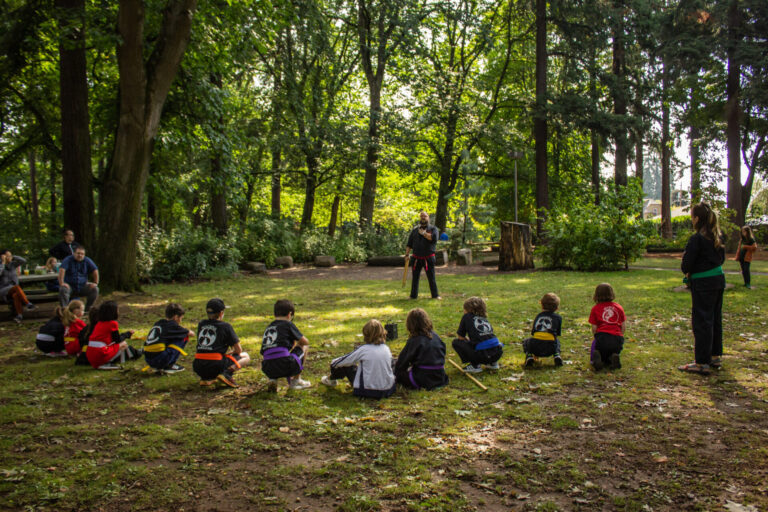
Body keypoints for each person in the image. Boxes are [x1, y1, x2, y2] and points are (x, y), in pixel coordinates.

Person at [678, 203, 725, 375]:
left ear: (697, 218)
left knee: (702, 321)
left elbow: (686, 264)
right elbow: (721, 260)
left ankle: (701, 362)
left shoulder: (697, 239)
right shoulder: (717, 237)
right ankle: (714, 355)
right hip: (718, 280)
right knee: (715, 318)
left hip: (703, 284)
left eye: (692, 217)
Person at [320, 319, 396, 399]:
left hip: (367, 391)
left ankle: (331, 379)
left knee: (345, 364)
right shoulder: (386, 348)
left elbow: (341, 361)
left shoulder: (364, 349)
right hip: (388, 389)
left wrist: (333, 364)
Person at [193, 298, 250, 387]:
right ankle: (226, 374)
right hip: (215, 364)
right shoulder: (225, 326)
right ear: (221, 313)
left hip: (198, 365)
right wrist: (233, 352)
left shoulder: (201, 324)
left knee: (211, 357)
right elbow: (238, 350)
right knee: (246, 356)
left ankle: (206, 378)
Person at [260, 299, 311, 392]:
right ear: (289, 314)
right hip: (284, 364)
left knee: (274, 354)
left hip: (267, 367)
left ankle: (273, 379)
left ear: (275, 314)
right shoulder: (288, 324)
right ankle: (296, 381)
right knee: (304, 346)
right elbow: (305, 342)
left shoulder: (269, 327)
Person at [394, 308, 448, 390]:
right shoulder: (436, 336)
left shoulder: (415, 340)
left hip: (422, 379)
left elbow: (402, 362)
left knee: (398, 372)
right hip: (440, 377)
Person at [451, 297, 503, 373]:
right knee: (484, 342)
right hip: (497, 352)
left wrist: (468, 340)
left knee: (456, 342)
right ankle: (493, 363)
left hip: (482, 355)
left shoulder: (466, 317)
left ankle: (475, 365)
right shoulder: (484, 318)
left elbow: (461, 337)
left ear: (468, 309)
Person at [85, 300, 141, 370]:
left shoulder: (99, 323)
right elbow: (117, 340)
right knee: (123, 344)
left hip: (91, 354)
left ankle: (127, 357)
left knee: (120, 344)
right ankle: (108, 362)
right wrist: (127, 334)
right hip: (100, 353)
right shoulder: (112, 323)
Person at [143, 303, 195, 374]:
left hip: (148, 359)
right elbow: (191, 333)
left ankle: (162, 364)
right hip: (158, 360)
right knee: (184, 336)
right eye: (181, 318)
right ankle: (169, 365)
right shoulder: (172, 326)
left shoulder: (159, 323)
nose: (180, 321)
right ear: (176, 317)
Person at [589, 283, 626, 371]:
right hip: (617, 338)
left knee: (601, 351)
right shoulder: (619, 307)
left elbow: (594, 328)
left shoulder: (595, 309)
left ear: (596, 295)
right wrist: (620, 335)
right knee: (614, 350)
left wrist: (596, 337)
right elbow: (623, 326)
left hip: (602, 337)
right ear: (612, 294)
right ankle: (614, 356)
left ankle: (600, 359)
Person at [404, 211, 441, 300]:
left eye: (425, 216)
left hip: (429, 258)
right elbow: (409, 244)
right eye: (421, 216)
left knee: (431, 277)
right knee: (415, 278)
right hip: (416, 258)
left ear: (428, 217)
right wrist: (407, 254)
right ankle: (413, 296)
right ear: (420, 218)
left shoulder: (433, 229)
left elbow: (434, 239)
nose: (423, 217)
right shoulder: (415, 230)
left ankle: (435, 295)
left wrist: (424, 233)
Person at [522, 293, 563, 368]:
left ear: (542, 305)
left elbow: (533, 332)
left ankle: (529, 356)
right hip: (550, 347)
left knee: (526, 341)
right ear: (557, 308)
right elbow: (557, 333)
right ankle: (556, 355)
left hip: (535, 346)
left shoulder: (538, 316)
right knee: (557, 341)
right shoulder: (558, 318)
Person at [0, 249, 36, 323]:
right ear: (2, 256)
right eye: (7, 256)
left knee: (16, 295)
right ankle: (28, 303)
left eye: (10, 255)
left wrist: (14, 257)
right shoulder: (1, 265)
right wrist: (3, 263)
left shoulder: (13, 264)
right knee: (16, 287)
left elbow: (23, 261)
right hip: (3, 290)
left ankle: (19, 316)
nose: (9, 257)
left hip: (14, 289)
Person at [58, 246, 99, 311]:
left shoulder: (87, 260)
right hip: (70, 286)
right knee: (63, 289)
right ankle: (65, 310)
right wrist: (62, 283)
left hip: (82, 286)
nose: (80, 255)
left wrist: (95, 282)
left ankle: (87, 309)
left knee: (95, 289)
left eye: (82, 254)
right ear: (74, 253)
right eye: (78, 253)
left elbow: (95, 270)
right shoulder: (68, 259)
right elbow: (62, 270)